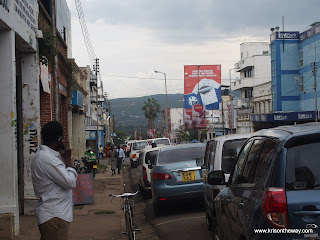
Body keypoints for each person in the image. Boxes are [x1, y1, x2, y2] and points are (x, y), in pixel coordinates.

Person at [31, 121, 78, 240]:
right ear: (59, 139)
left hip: (55, 214)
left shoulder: (46, 156)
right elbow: (70, 182)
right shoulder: (48, 159)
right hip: (54, 216)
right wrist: (68, 160)